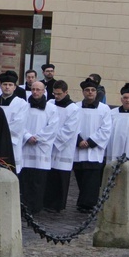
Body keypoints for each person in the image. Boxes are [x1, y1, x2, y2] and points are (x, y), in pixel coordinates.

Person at [19, 81, 59, 214]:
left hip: (41, 149)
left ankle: (36, 207)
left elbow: (52, 127)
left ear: (44, 91)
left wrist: (37, 138)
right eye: (33, 89)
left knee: (38, 181)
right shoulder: (23, 106)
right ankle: (23, 206)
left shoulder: (52, 109)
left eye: (38, 90)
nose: (35, 92)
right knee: (25, 180)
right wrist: (27, 136)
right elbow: (19, 124)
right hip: (26, 147)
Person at [73, 77, 113, 213]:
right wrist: (79, 140)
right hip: (78, 148)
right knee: (80, 176)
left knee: (92, 179)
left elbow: (106, 128)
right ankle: (84, 201)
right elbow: (71, 125)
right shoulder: (76, 107)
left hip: (94, 150)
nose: (90, 92)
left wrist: (90, 142)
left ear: (96, 92)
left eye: (92, 90)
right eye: (87, 90)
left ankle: (88, 204)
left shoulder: (104, 109)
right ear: (83, 92)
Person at [43, 80, 80, 213]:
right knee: (49, 175)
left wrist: (52, 139)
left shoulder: (74, 109)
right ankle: (46, 202)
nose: (56, 96)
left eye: (59, 94)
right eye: (54, 93)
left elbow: (69, 130)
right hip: (48, 145)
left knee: (60, 176)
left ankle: (57, 204)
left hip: (63, 148)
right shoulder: (50, 103)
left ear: (66, 92)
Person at [0, 70, 28, 174]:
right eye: (5, 84)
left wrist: (0, 132)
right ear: (0, 86)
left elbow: (18, 124)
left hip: (11, 142)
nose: (7, 87)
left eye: (10, 85)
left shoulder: (21, 103)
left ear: (15, 87)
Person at [107, 83, 129, 161]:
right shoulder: (113, 113)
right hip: (115, 147)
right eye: (125, 98)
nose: (128, 100)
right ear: (121, 99)